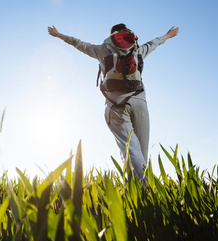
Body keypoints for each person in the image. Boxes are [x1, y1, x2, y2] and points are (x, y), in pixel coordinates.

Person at [47, 23, 179, 180]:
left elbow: (79, 43)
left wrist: (59, 34)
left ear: (111, 35)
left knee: (131, 151)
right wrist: (167, 35)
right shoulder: (137, 49)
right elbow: (154, 43)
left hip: (115, 105)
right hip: (139, 102)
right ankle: (143, 195)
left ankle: (145, 192)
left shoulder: (102, 50)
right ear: (128, 33)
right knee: (141, 154)